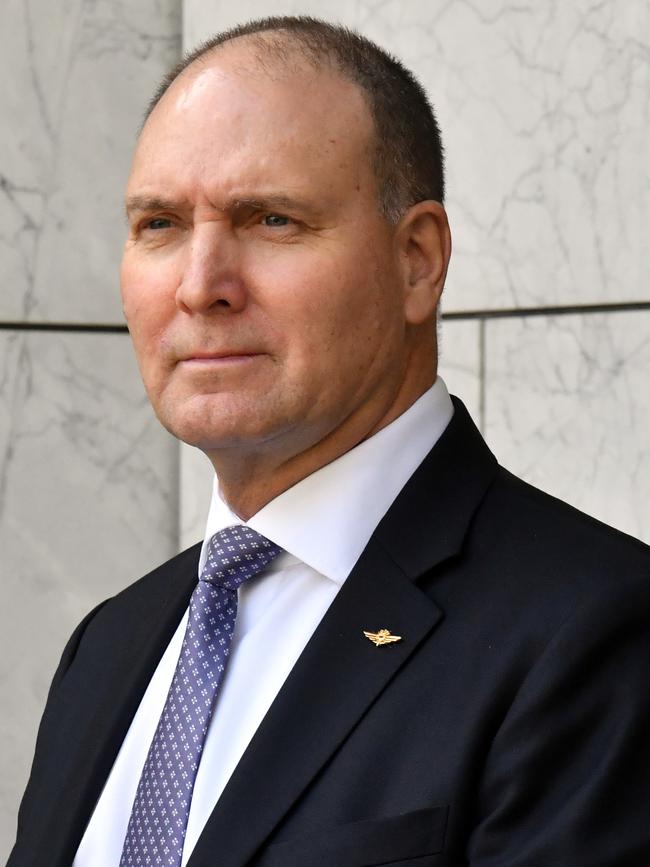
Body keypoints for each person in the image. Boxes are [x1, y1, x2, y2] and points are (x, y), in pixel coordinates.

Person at [8, 16, 650, 867]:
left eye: (271, 219)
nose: (202, 286)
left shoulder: (592, 630)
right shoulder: (110, 644)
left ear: (418, 260)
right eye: (160, 224)